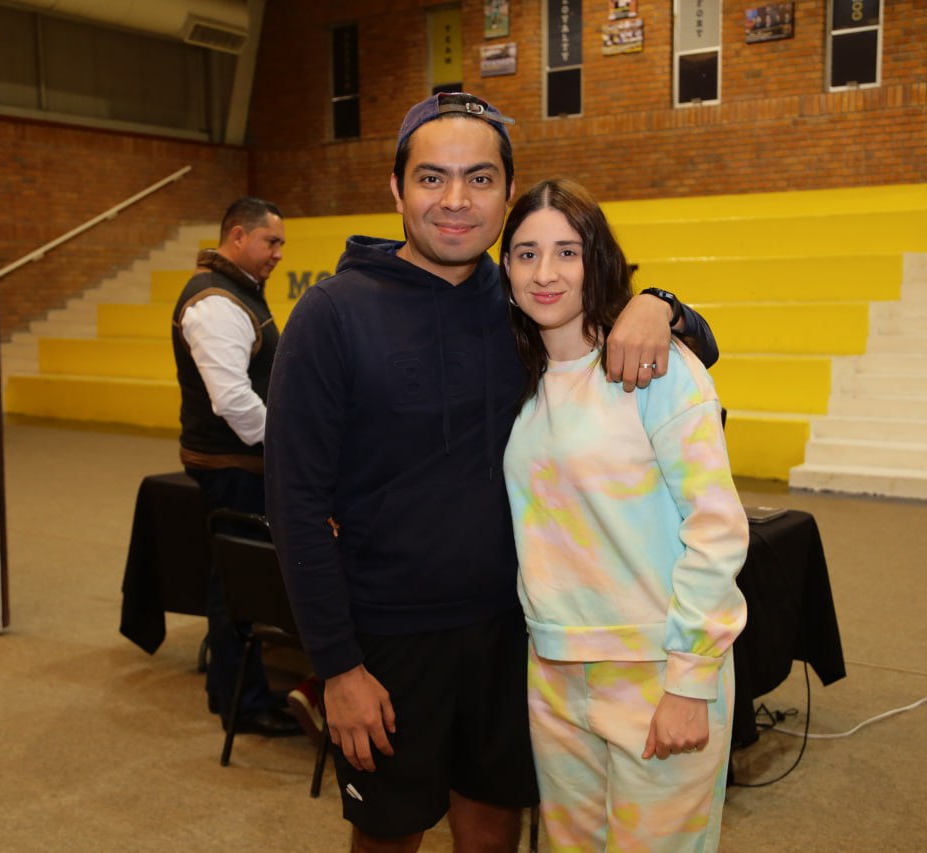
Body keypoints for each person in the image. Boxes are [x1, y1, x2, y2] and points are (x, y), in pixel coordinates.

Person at [263, 92, 718, 852]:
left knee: (493, 834)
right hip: (388, 637)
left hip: (517, 633)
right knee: (388, 836)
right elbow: (294, 503)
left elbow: (685, 344)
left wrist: (661, 304)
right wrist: (337, 666)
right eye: (431, 177)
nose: (455, 200)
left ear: (507, 195)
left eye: (479, 179)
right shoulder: (332, 314)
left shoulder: (522, 301)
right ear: (396, 189)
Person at [499, 178, 748, 851]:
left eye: (567, 252)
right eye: (525, 254)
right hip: (554, 668)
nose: (545, 273)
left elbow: (717, 529)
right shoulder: (517, 379)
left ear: (598, 261)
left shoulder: (657, 368)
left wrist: (690, 680)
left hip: (656, 668)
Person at [171, 197, 319, 739]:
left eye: (281, 244)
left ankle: (233, 690)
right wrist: (288, 448)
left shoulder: (236, 290)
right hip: (233, 465)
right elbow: (233, 400)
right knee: (238, 586)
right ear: (237, 236)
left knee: (232, 581)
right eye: (270, 241)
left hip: (238, 461)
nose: (278, 253)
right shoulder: (216, 302)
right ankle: (243, 703)